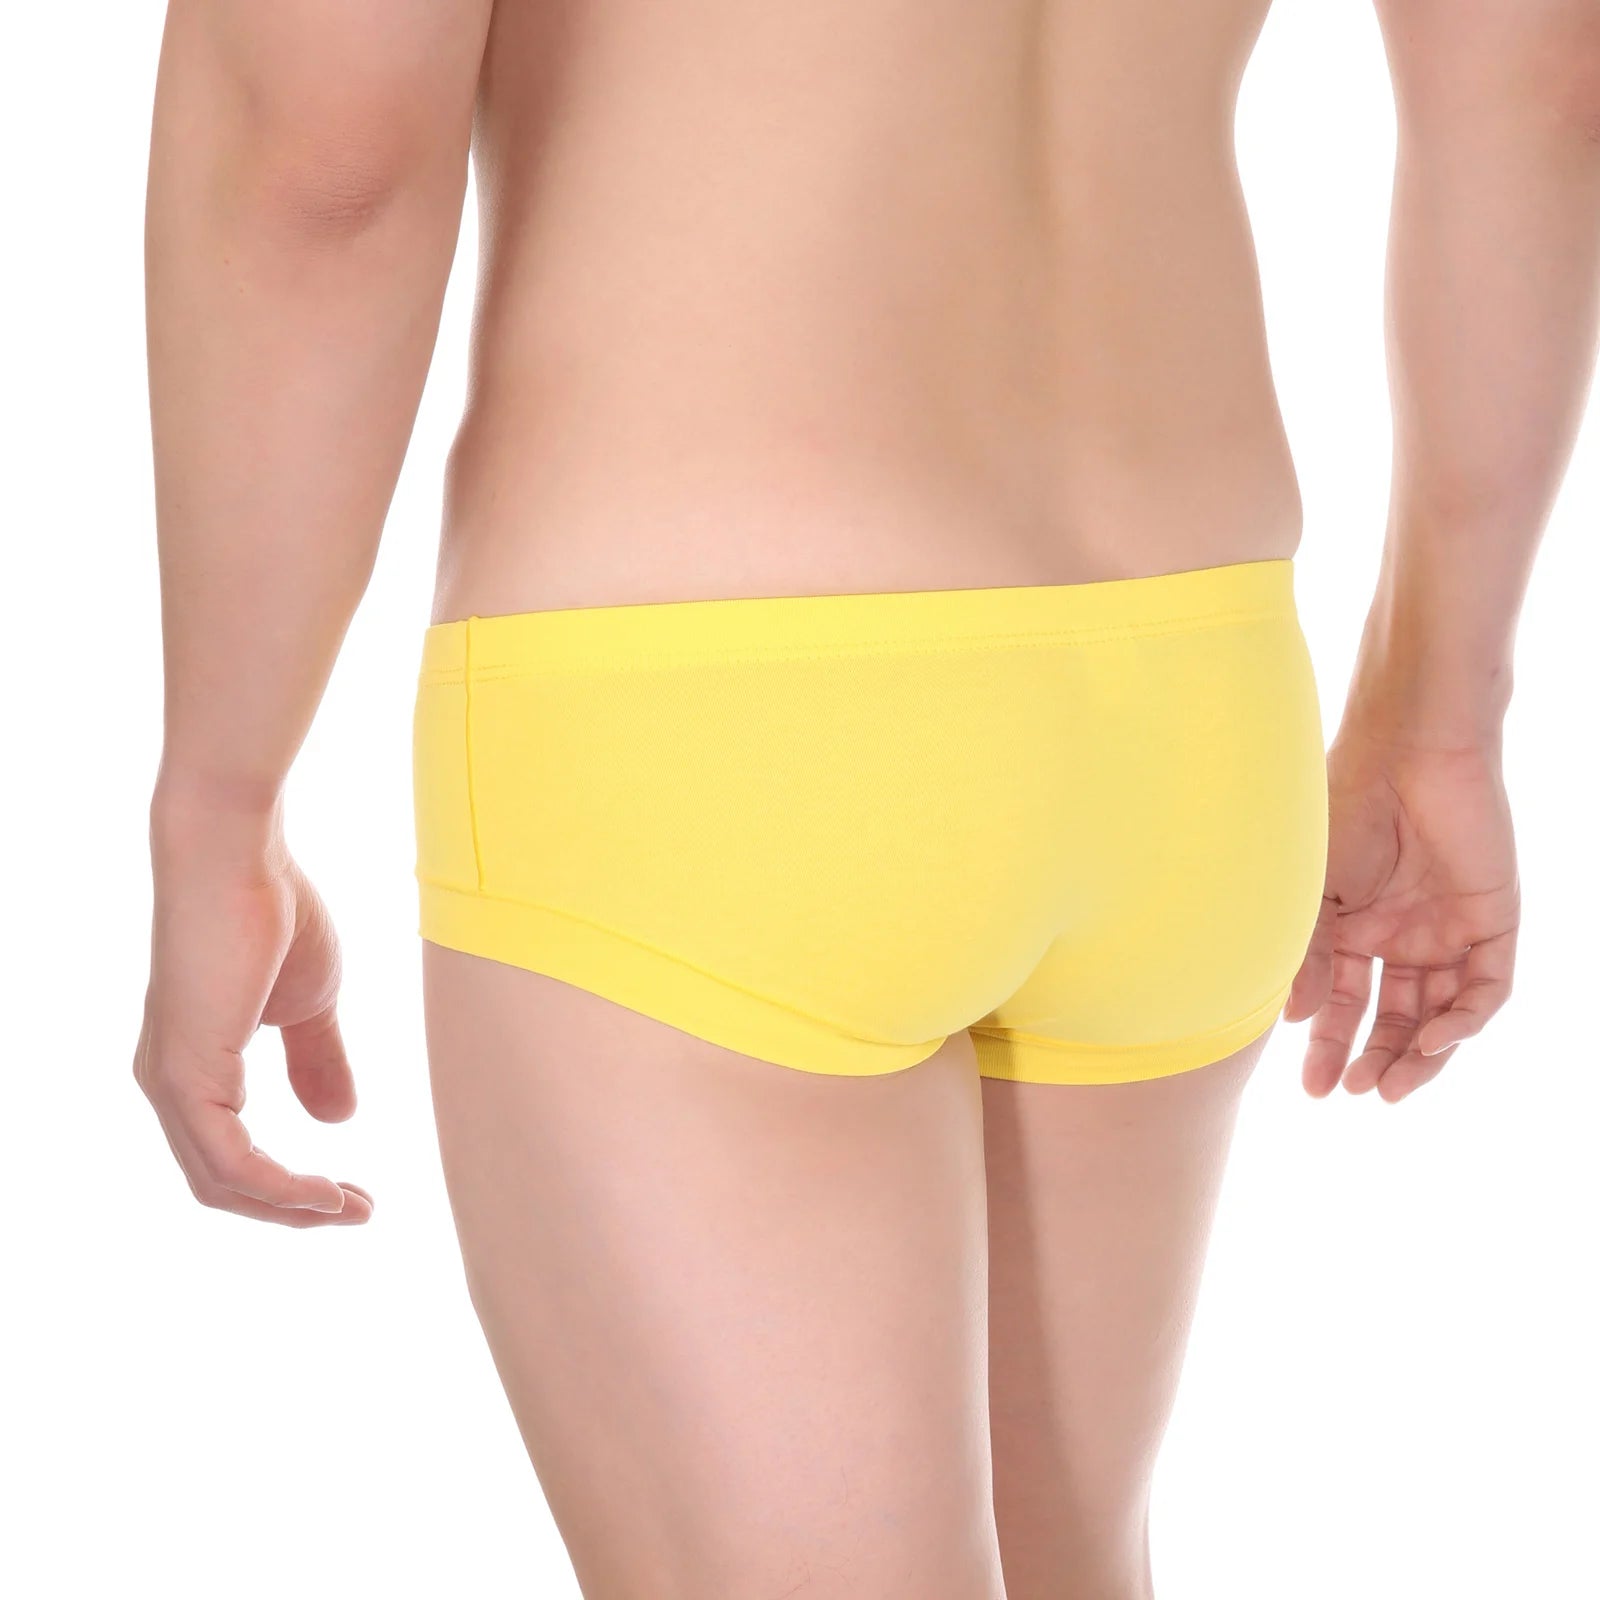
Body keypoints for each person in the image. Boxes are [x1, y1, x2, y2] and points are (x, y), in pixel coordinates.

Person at [132, 1, 1600, 1595]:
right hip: (1189, 685)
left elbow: (321, 160)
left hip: (713, 712)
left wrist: (221, 804)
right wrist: (1440, 716)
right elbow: (1543, 79)